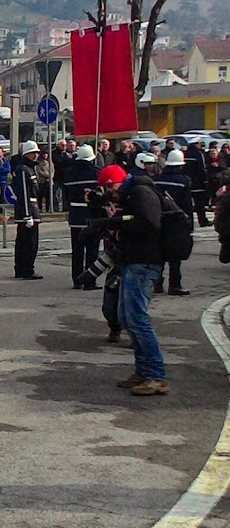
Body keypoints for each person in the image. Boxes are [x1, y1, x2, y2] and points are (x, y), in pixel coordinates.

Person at [84, 164, 168, 396]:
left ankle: (156, 375)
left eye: (110, 189)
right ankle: (143, 371)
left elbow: (148, 224)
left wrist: (117, 224)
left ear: (117, 183)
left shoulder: (141, 193)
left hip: (144, 263)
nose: (110, 194)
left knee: (138, 319)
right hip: (134, 262)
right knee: (127, 317)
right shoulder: (132, 195)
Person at [153, 149, 192, 296]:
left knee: (160, 253)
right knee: (175, 256)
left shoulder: (156, 179)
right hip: (176, 222)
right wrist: (189, 226)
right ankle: (174, 285)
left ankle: (157, 283)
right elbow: (187, 205)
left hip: (159, 219)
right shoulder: (184, 181)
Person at [64, 144, 102, 290]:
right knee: (92, 250)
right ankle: (89, 280)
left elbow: (67, 194)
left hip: (74, 216)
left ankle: (77, 279)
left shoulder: (69, 174)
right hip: (92, 216)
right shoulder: (96, 173)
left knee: (77, 250)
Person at [13, 141, 43, 280]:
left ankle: (24, 269)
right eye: (33, 153)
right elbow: (24, 193)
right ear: (27, 154)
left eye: (37, 153)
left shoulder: (29, 168)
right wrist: (27, 215)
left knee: (27, 243)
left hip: (31, 208)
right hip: (28, 210)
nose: (36, 155)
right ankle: (26, 269)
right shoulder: (23, 169)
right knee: (28, 244)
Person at [183, 140, 210, 227]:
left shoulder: (185, 154)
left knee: (188, 204)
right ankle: (202, 221)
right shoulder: (198, 154)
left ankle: (189, 222)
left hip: (187, 182)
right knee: (200, 204)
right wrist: (205, 181)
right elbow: (202, 169)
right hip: (198, 183)